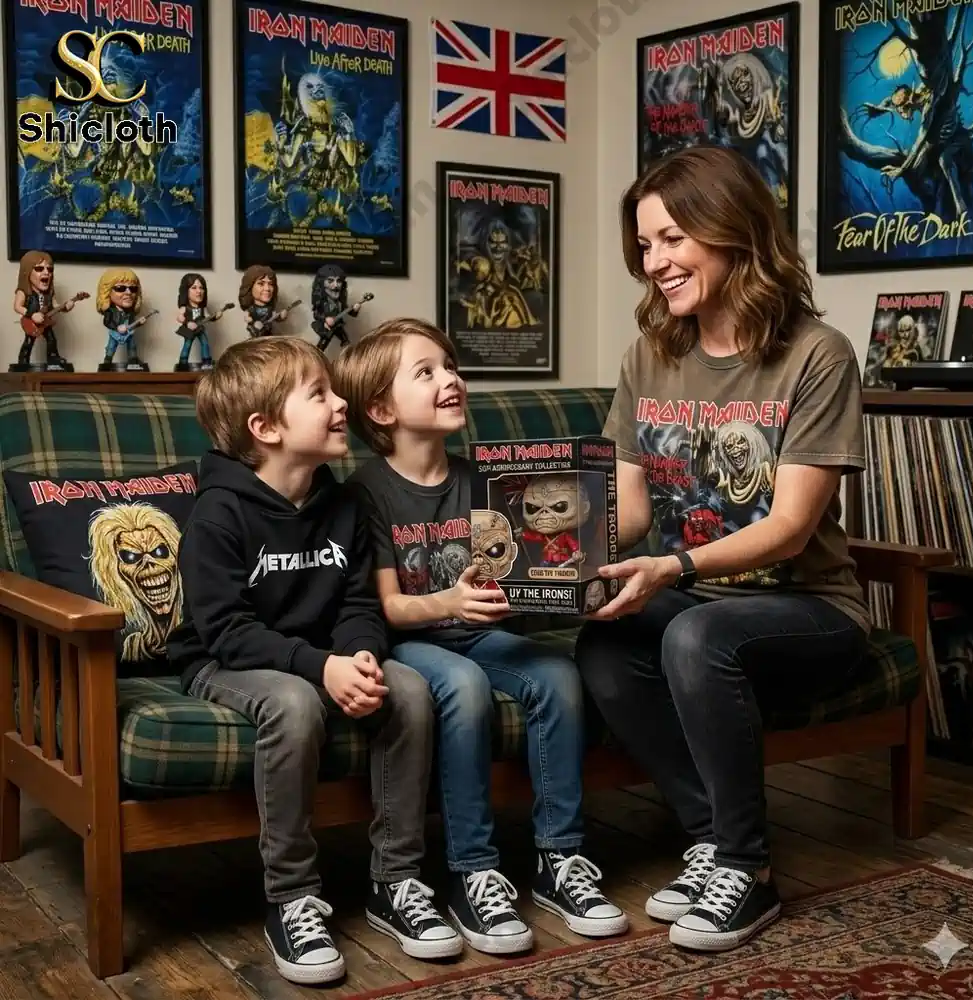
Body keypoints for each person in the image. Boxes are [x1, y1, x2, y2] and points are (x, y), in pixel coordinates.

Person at [575, 145, 870, 953]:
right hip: (697, 602)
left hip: (808, 610)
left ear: (730, 228)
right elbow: (629, 510)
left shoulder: (817, 354)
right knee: (604, 635)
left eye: (671, 239)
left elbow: (791, 528)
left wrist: (672, 569)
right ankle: (710, 839)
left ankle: (750, 869)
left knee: (692, 632)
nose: (655, 263)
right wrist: (557, 554)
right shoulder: (650, 356)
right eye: (644, 246)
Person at [166, 336, 462, 986]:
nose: (339, 405)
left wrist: (357, 658)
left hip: (320, 654)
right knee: (295, 705)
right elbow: (226, 629)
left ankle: (397, 881)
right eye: (320, 394)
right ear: (266, 428)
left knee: (406, 689)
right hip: (228, 658)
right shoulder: (218, 514)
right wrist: (317, 667)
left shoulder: (345, 503)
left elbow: (361, 602)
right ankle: (292, 895)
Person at [337, 318, 628, 955]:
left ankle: (561, 860)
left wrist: (571, 584)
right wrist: (449, 600)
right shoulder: (366, 493)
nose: (450, 379)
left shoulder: (483, 479)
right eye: (427, 372)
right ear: (381, 409)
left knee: (556, 673)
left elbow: (516, 575)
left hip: (479, 636)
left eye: (450, 366)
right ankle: (474, 869)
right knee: (464, 687)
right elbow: (386, 606)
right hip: (413, 643)